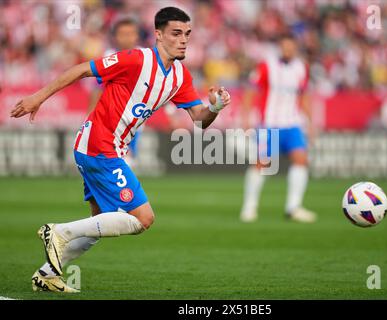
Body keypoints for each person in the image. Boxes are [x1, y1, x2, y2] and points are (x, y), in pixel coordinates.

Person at [10, 7, 231, 293]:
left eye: (187, 34)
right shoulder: (135, 59)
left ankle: (47, 273)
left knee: (98, 223)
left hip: (108, 147)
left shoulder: (179, 76)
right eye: (176, 33)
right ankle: (59, 232)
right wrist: (38, 97)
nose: (183, 40)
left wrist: (214, 107)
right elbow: (81, 70)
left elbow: (200, 121)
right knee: (143, 218)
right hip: (99, 145)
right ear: (159, 35)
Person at [240, 34, 317, 223]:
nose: (287, 50)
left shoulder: (302, 68)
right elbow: (250, 91)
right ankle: (249, 207)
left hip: (292, 123)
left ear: (295, 49)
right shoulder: (266, 66)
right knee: (261, 164)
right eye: (284, 47)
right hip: (270, 124)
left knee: (301, 160)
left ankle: (293, 207)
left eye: (291, 47)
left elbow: (304, 96)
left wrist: (310, 121)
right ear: (279, 48)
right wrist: (246, 118)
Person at [87, 15, 142, 167]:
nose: (127, 38)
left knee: (127, 163)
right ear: (116, 37)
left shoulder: (144, 56)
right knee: (117, 164)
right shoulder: (109, 57)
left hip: (134, 118)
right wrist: (90, 114)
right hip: (111, 119)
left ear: (137, 35)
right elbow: (97, 88)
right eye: (123, 34)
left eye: (130, 34)